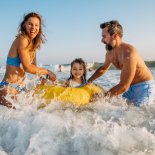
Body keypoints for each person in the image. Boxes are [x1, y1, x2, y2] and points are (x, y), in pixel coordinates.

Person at [87, 20, 154, 106]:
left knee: (139, 114)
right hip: (129, 87)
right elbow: (103, 68)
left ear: (115, 36)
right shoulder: (110, 53)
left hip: (143, 87)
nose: (101, 40)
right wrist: (88, 81)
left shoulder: (129, 53)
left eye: (104, 36)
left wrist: (102, 97)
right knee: (119, 111)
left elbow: (124, 86)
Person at [0, 12, 56, 108]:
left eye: (36, 25)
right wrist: (48, 72)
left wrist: (42, 79)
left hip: (21, 88)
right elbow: (27, 67)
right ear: (24, 24)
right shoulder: (22, 39)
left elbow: (34, 68)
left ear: (39, 28)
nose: (33, 27)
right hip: (8, 88)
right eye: (30, 24)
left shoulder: (33, 44)